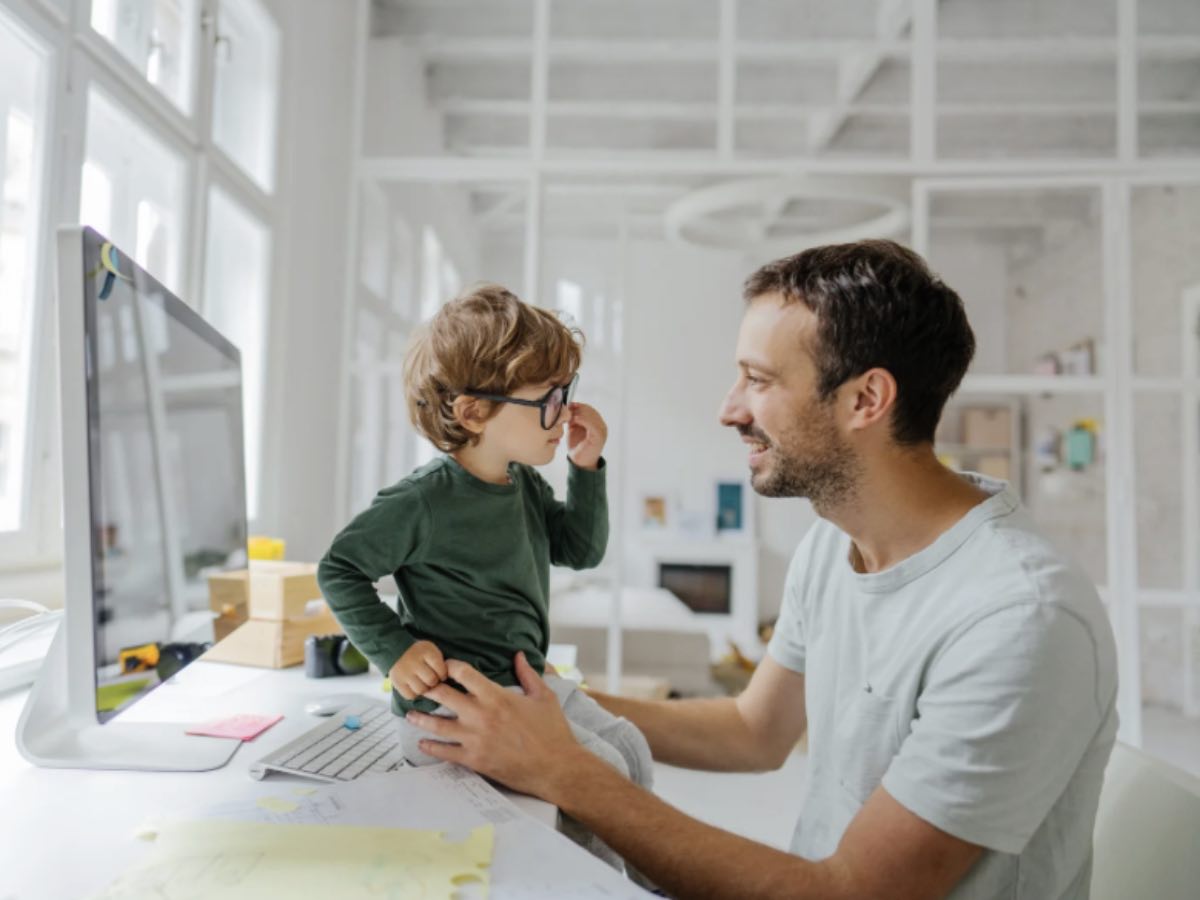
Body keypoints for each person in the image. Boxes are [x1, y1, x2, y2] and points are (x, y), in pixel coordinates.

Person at [406, 241, 1120, 900]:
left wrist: (564, 769)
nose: (728, 409)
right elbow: (755, 731)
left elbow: (850, 894)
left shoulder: (1020, 618)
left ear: (865, 400)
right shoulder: (833, 545)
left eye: (757, 379)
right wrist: (546, 705)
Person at [316, 284, 653, 873]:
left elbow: (579, 550)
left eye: (564, 394)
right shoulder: (422, 502)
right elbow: (339, 568)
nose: (565, 412)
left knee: (630, 748)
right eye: (547, 399)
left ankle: (648, 882)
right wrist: (394, 648)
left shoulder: (522, 482)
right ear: (475, 412)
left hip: (519, 688)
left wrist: (586, 468)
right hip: (455, 710)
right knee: (603, 774)